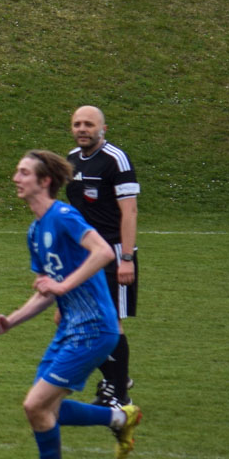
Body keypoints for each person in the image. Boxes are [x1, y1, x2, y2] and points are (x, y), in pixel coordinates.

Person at [0, 149, 140, 459]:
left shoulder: (64, 216)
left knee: (35, 405)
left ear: (44, 181)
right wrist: (12, 321)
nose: (15, 178)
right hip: (70, 329)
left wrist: (63, 286)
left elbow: (103, 252)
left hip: (95, 328)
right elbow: (46, 291)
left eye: (23, 172)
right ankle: (120, 417)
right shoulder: (35, 231)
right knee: (44, 410)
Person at [64, 106, 141, 408]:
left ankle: (118, 392)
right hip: (84, 256)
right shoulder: (71, 159)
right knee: (83, 321)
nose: (82, 129)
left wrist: (127, 257)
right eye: (77, 124)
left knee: (111, 322)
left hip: (112, 253)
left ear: (103, 129)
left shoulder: (115, 160)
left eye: (89, 124)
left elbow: (129, 211)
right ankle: (117, 379)